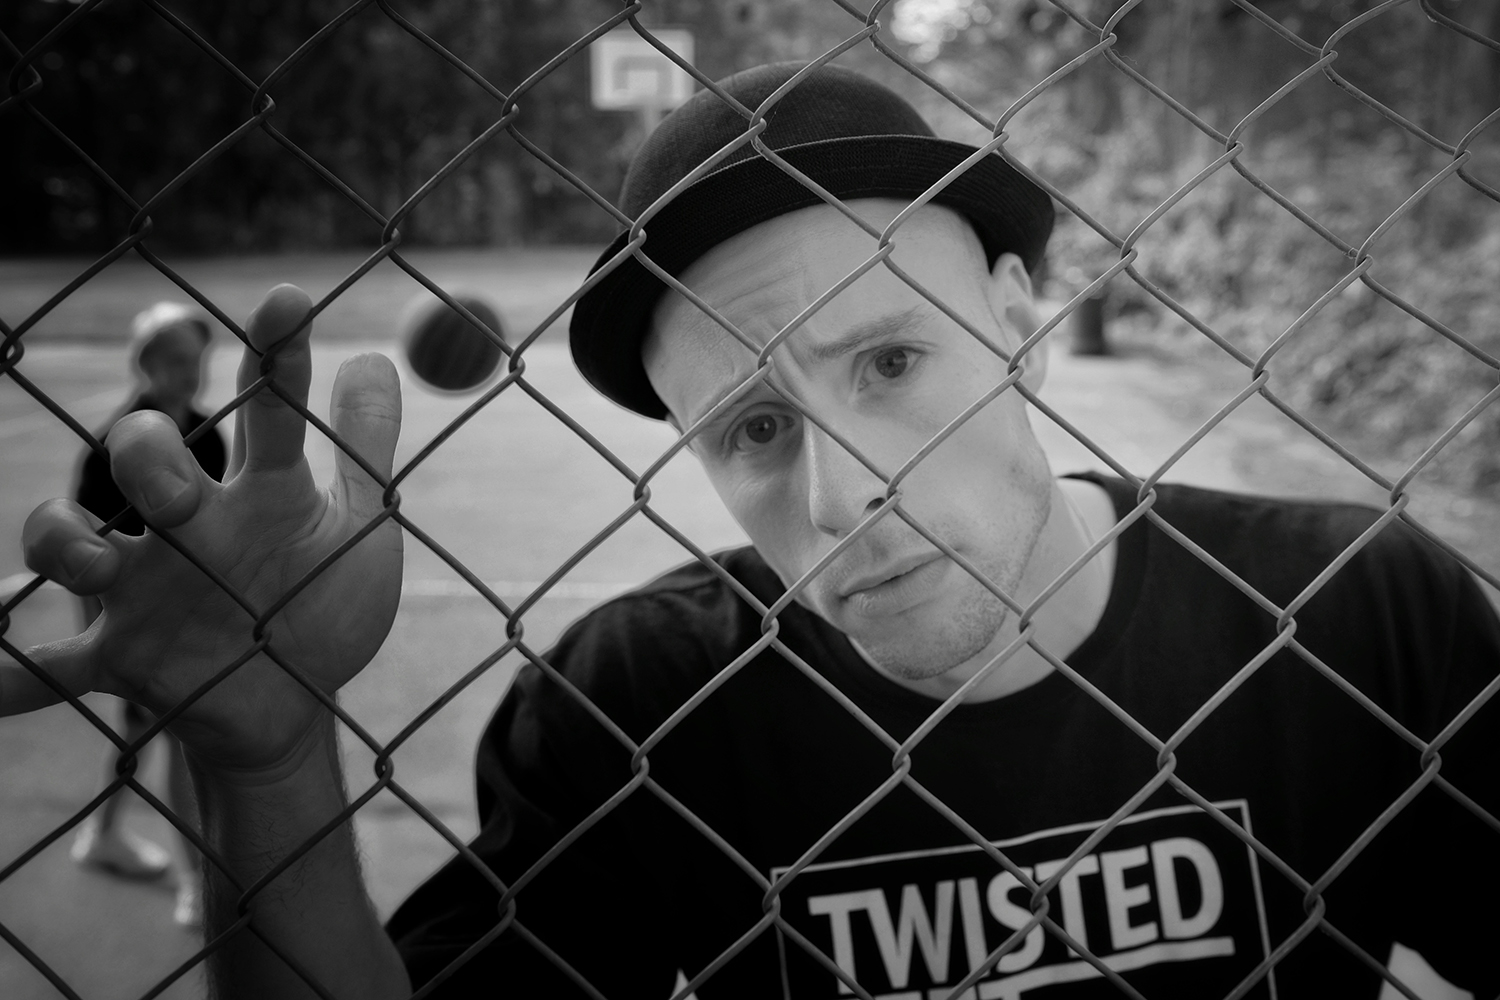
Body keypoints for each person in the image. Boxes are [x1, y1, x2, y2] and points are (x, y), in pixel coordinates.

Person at [6, 62, 1497, 1000]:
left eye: (891, 363)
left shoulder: (1362, 617)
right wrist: (264, 758)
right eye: (756, 430)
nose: (845, 497)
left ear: (1021, 325)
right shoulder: (637, 708)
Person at [67, 301, 225, 928]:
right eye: (179, 362)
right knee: (178, 745)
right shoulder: (110, 447)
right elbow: (83, 547)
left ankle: (99, 835)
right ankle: (194, 879)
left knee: (139, 739)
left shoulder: (208, 434)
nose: (193, 374)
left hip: (189, 617)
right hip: (136, 623)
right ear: (146, 365)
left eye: (198, 361)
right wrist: (99, 638)